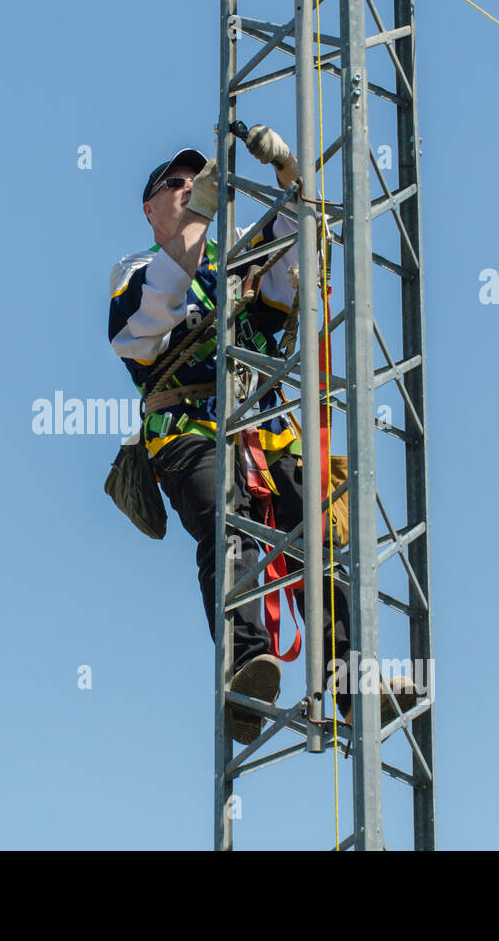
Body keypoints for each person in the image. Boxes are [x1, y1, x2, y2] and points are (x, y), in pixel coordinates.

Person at [107, 129, 415, 744]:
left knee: (320, 545)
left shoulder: (233, 262)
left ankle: (355, 684)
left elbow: (296, 256)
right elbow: (151, 316)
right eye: (177, 183)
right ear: (151, 207)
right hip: (189, 434)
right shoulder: (138, 270)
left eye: (196, 180)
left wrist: (289, 175)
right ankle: (246, 670)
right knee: (228, 522)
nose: (190, 188)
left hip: (266, 435)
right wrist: (201, 217)